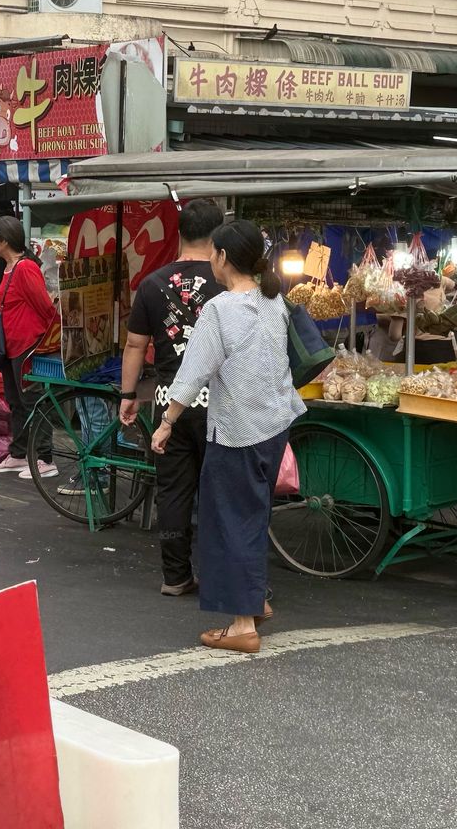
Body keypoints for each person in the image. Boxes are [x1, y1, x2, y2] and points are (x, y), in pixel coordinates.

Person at [158, 218, 305, 657]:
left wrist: (167, 421)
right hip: (274, 425)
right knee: (253, 517)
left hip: (238, 432)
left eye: (213, 255)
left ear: (222, 257)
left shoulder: (220, 309)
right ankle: (254, 598)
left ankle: (242, 625)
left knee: (229, 524)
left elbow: (193, 373)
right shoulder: (273, 301)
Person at [119, 198, 225, 597]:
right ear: (217, 237)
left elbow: (135, 345)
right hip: (220, 402)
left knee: (173, 490)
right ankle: (220, 577)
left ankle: (175, 576)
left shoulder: (152, 283)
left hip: (170, 403)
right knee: (220, 492)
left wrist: (128, 394)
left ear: (180, 234)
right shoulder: (228, 282)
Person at [0, 216, 61, 480]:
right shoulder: (6, 267)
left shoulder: (26, 268)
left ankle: (45, 458)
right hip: (9, 345)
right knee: (15, 401)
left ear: (5, 240)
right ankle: (19, 453)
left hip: (26, 345)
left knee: (33, 401)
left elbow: (46, 308)